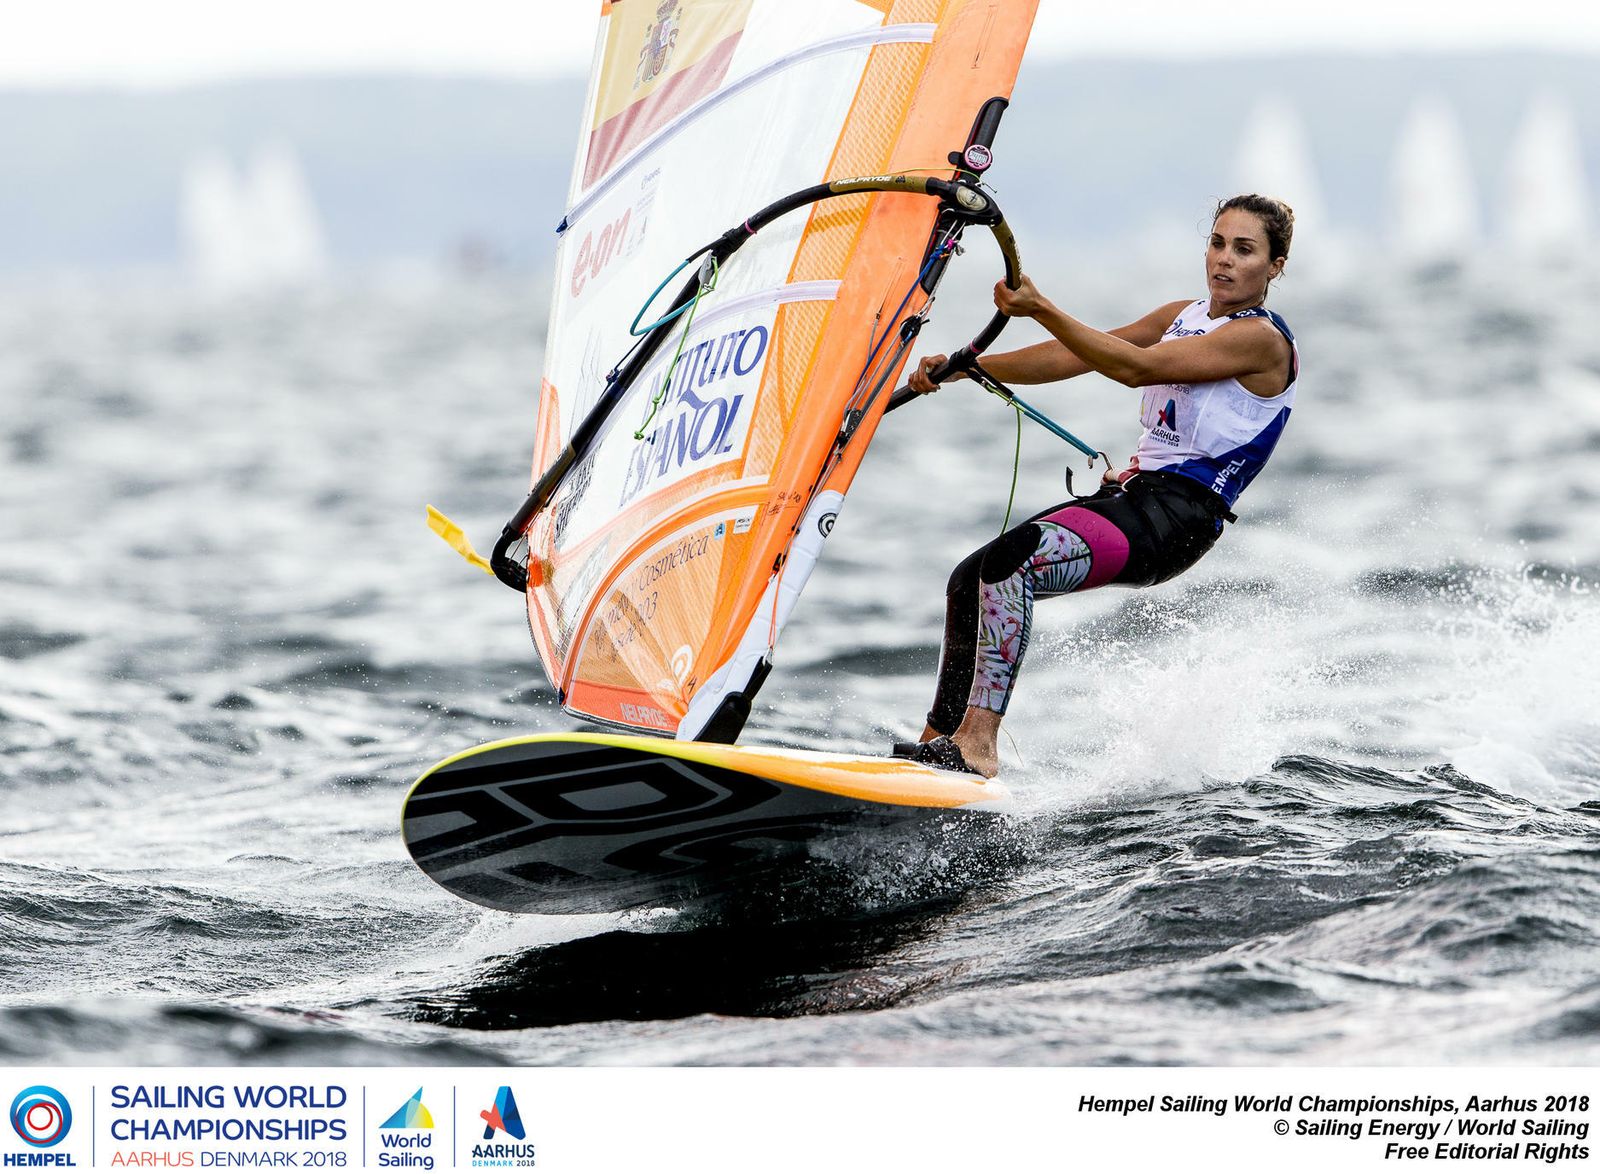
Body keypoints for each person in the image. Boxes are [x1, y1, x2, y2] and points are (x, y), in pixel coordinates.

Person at [897, 194, 1299, 777]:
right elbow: (1075, 356)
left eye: (1244, 250)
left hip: (1177, 521)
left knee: (1012, 566)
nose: (1224, 259)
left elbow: (1136, 368)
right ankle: (934, 748)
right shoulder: (1182, 315)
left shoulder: (1261, 340)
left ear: (1274, 266)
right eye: (1217, 243)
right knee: (970, 579)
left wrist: (1041, 307)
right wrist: (970, 366)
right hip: (1137, 499)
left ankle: (977, 747)